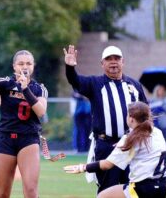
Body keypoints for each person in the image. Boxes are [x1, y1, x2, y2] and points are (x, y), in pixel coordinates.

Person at [63, 45, 147, 193]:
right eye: (109, 59)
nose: (113, 62)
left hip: (131, 145)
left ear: (123, 62)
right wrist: (70, 67)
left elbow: (146, 114)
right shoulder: (95, 84)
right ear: (102, 64)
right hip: (106, 145)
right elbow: (75, 81)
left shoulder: (134, 85)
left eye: (117, 58)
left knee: (133, 191)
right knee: (107, 191)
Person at [0, 50, 48, 198]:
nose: (25, 66)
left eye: (28, 63)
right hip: (5, 139)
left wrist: (25, 89)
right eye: (21, 63)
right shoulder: (7, 82)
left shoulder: (39, 88)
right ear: (14, 66)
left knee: (31, 192)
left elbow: (40, 111)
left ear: (33, 66)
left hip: (28, 139)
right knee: (2, 193)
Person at [64, 101, 166, 198]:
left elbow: (106, 165)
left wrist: (83, 167)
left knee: (102, 196)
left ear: (131, 119)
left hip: (142, 189)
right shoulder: (157, 132)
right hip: (163, 187)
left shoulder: (130, 139)